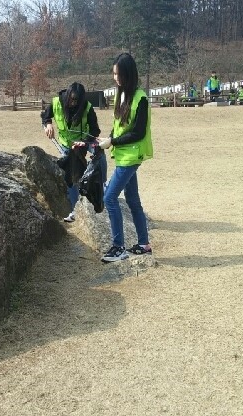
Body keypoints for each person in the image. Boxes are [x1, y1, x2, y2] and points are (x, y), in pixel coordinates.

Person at [96, 52, 153, 263]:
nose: (116, 78)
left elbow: (138, 132)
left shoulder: (141, 99)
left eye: (119, 74)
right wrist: (108, 138)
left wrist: (113, 141)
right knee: (132, 200)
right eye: (114, 74)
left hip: (131, 155)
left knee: (109, 198)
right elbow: (119, 126)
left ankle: (118, 247)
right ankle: (144, 244)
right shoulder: (120, 95)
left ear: (129, 74)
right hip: (122, 154)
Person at [41, 82, 105, 222]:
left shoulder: (87, 107)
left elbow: (95, 130)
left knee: (99, 157)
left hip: (83, 143)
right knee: (71, 177)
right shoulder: (56, 102)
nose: (73, 103)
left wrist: (85, 142)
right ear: (67, 95)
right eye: (71, 99)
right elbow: (45, 116)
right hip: (66, 146)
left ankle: (101, 190)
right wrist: (48, 124)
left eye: (77, 100)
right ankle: (74, 210)